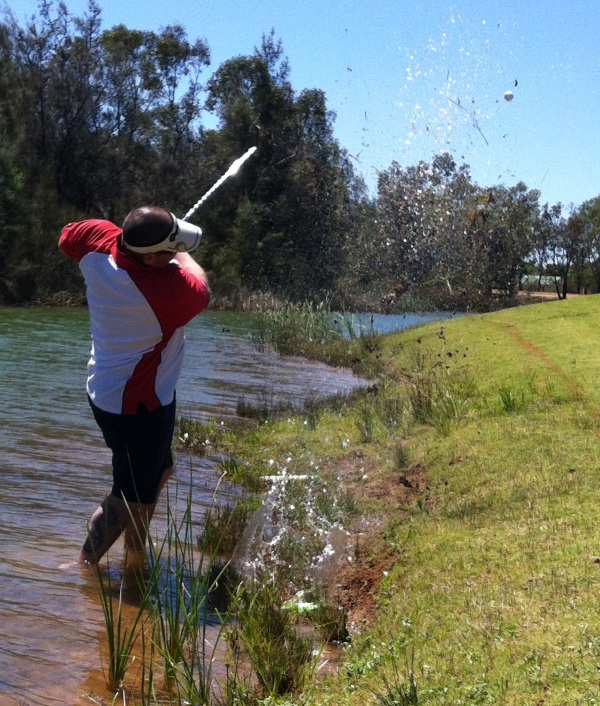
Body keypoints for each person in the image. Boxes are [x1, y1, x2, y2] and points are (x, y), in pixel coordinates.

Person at [59, 206, 210, 567]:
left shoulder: (97, 240)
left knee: (160, 471)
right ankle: (83, 566)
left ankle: (135, 555)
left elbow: (67, 236)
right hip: (138, 405)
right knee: (127, 498)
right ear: (154, 259)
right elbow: (201, 287)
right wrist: (181, 253)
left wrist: (161, 241)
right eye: (168, 251)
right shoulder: (164, 292)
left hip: (111, 391)